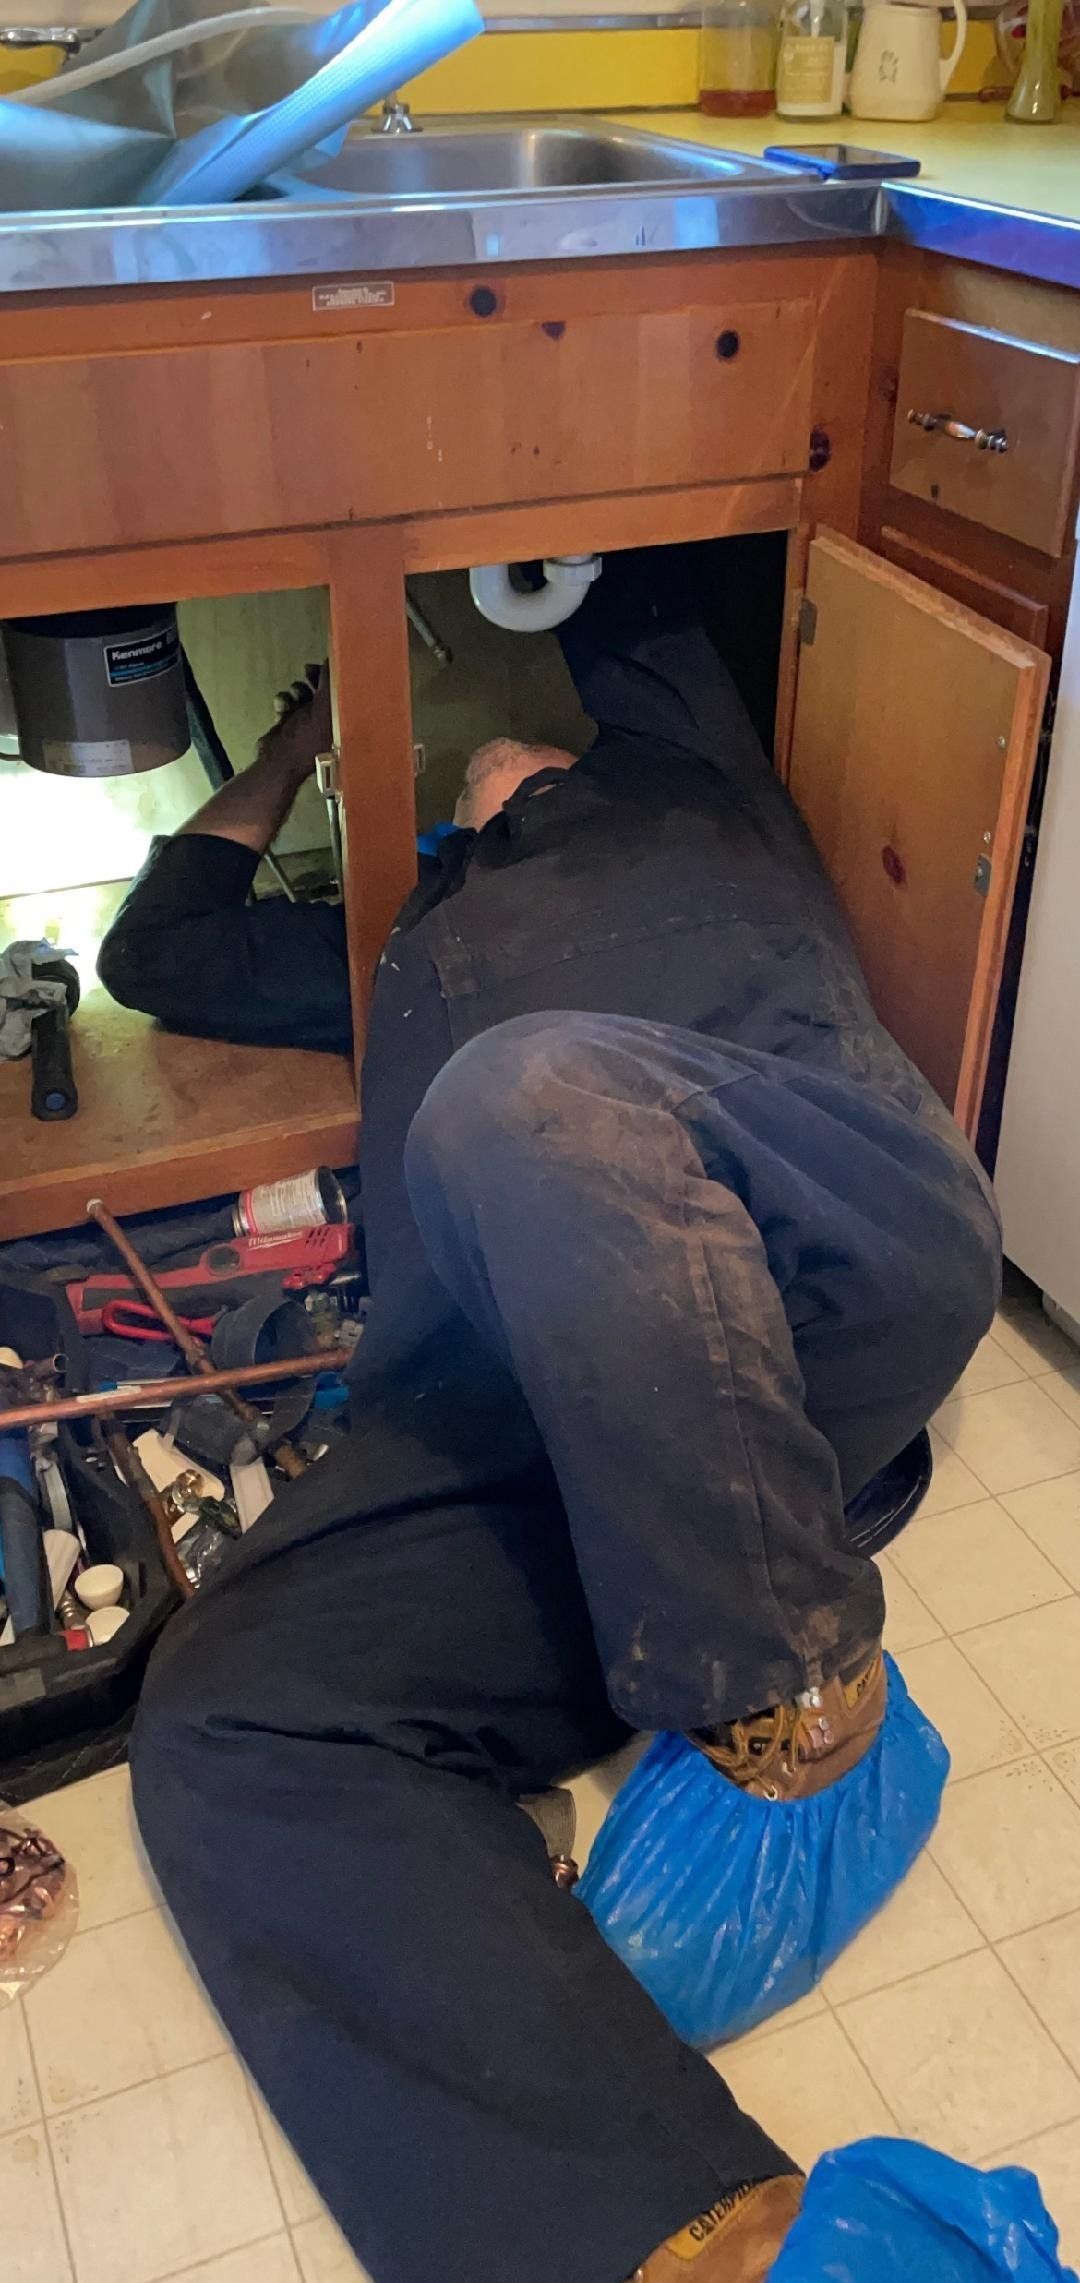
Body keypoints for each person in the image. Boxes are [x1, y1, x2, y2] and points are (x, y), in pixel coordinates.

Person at [121, 552, 1001, 2283]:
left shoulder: (696, 795)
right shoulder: (406, 936)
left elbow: (639, 575)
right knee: (227, 1712)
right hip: (540, 1407)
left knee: (529, 1098)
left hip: (831, 1249)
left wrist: (512, 548)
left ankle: (788, 1675)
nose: (496, 763)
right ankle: (670, 2240)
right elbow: (168, 948)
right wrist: (300, 735)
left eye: (530, 754)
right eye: (470, 782)